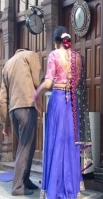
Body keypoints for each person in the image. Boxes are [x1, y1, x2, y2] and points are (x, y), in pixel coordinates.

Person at [34, 26, 85, 199]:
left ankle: (54, 190)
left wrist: (37, 92)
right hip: (71, 101)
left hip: (57, 100)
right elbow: (76, 83)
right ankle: (71, 189)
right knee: (70, 144)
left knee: (55, 142)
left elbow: (48, 83)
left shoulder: (54, 55)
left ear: (56, 42)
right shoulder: (77, 57)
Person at [0, 49, 44, 196]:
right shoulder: (30, 55)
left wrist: (5, 123)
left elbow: (2, 98)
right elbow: (39, 80)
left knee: (28, 146)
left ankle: (25, 180)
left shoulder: (7, 65)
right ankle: (17, 187)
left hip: (14, 110)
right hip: (26, 106)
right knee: (25, 147)